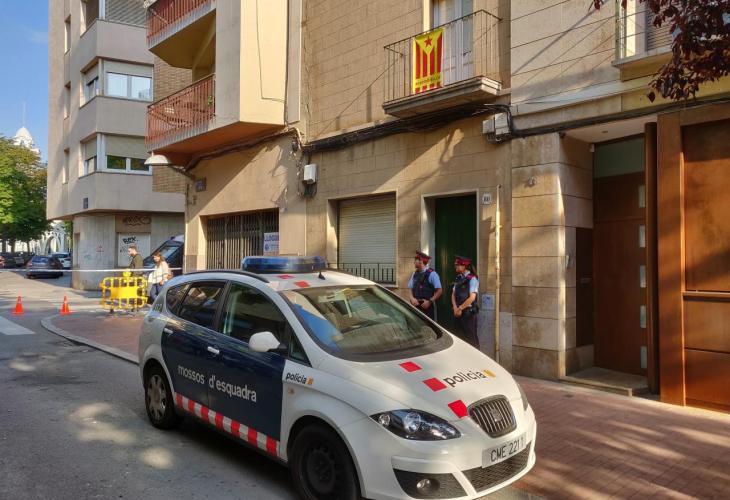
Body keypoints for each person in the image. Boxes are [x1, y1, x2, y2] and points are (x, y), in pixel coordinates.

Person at [451, 255, 480, 348]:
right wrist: (455, 307)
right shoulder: (458, 278)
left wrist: (460, 308)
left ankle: (475, 356)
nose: (455, 266)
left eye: (457, 265)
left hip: (468, 313)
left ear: (464, 266)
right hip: (457, 312)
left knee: (471, 339)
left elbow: (472, 297)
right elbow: (453, 294)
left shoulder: (472, 279)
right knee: (458, 338)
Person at [407, 251, 442, 320]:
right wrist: (412, 298)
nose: (414, 262)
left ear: (421, 261)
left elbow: (439, 291)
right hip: (415, 306)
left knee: (428, 326)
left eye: (415, 260)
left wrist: (429, 301)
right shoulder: (414, 274)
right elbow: (410, 288)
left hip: (427, 308)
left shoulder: (432, 274)